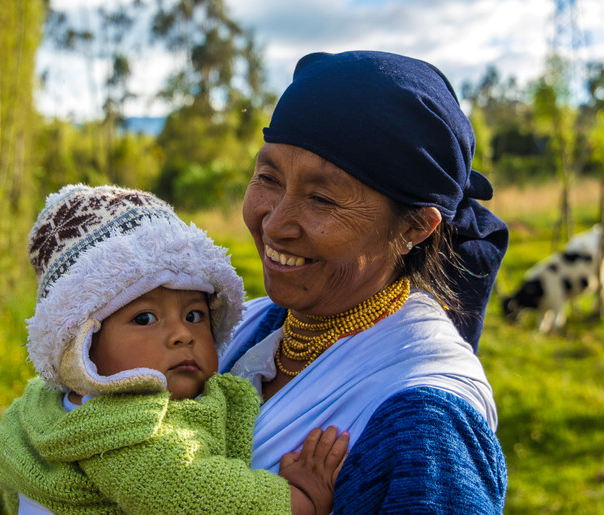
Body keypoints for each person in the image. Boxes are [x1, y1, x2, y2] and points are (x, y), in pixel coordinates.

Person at [218, 50, 510, 513]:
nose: (275, 224)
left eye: (322, 199)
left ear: (417, 227)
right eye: (268, 177)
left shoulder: (426, 431)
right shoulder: (238, 328)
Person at [0, 184, 349, 515]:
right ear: (82, 349)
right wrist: (300, 500)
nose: (182, 334)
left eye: (195, 314)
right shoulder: (124, 428)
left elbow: (13, 486)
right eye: (145, 319)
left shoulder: (41, 410)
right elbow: (194, 493)